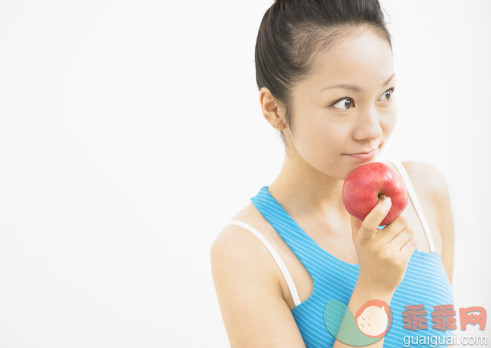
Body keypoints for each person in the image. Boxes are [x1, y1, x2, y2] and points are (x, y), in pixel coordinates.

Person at [210, 0, 456, 347]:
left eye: (385, 94)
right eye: (345, 103)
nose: (372, 130)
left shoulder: (425, 194)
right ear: (274, 109)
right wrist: (374, 289)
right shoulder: (247, 251)